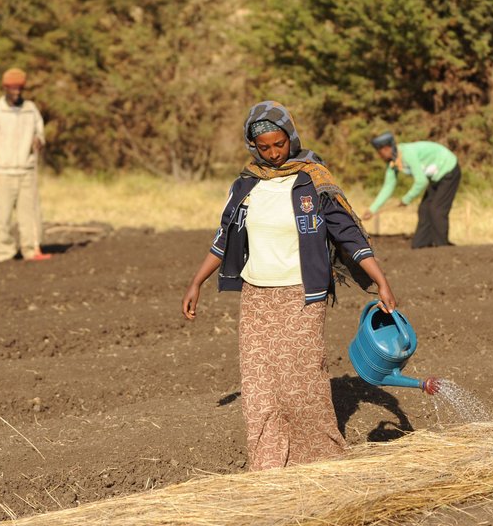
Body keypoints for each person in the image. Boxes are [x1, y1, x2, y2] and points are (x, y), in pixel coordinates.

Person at [182, 101, 398, 472]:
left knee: (302, 383)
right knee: (259, 385)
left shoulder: (313, 180)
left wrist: (380, 280)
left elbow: (346, 233)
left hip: (302, 295)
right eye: (263, 147)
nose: (272, 153)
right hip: (256, 298)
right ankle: (268, 465)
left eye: (278, 144)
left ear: (291, 137)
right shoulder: (246, 184)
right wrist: (197, 281)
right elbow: (224, 236)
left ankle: (319, 460)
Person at [0, 67, 50, 262]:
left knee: (29, 215)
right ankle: (4, 253)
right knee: (2, 217)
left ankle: (31, 249)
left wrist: (39, 140)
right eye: (12, 89)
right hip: (2, 172)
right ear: (5, 88)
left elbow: (40, 133)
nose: (16, 92)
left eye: (20, 88)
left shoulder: (31, 109)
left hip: (26, 170)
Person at [362, 132, 460, 249]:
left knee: (436, 209)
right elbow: (388, 187)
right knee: (424, 209)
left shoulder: (407, 154)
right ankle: (420, 245)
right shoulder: (393, 163)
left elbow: (421, 181)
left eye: (380, 152)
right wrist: (372, 209)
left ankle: (442, 246)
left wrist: (407, 199)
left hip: (449, 170)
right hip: (435, 177)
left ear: (387, 149)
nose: (379, 156)